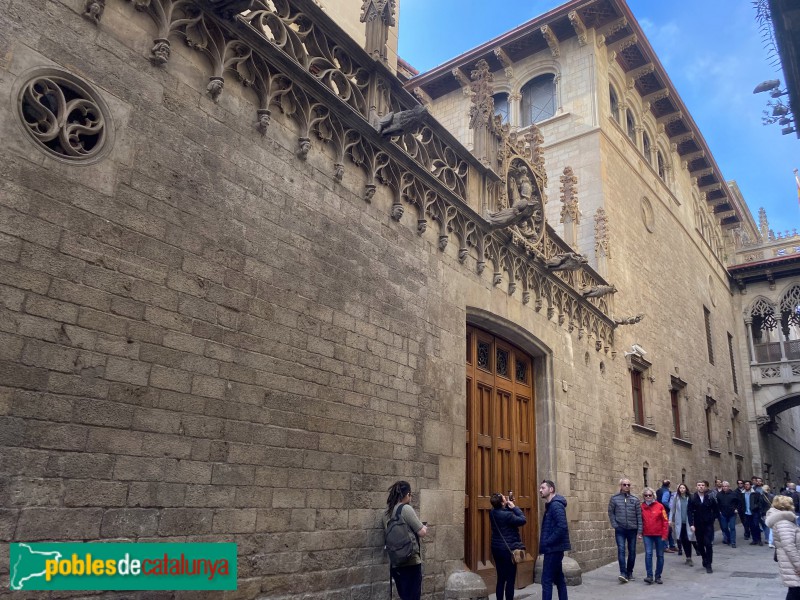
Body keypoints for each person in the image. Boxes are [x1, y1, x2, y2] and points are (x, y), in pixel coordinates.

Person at [383, 481, 428, 600]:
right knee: (413, 596)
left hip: (396, 562)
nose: (411, 497)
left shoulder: (387, 513)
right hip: (411, 561)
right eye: (410, 494)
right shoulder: (406, 509)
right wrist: (424, 527)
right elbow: (421, 532)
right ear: (407, 494)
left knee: (404, 595)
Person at [490, 491, 526, 600]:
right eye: (504, 498)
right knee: (510, 579)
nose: (506, 498)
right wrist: (514, 507)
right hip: (508, 549)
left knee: (500, 578)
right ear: (501, 503)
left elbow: (504, 516)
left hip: (496, 548)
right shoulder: (507, 515)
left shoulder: (492, 512)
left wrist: (508, 506)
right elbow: (522, 520)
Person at [538, 480, 570, 600]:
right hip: (554, 548)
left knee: (546, 580)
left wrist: (548, 541)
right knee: (558, 578)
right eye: (540, 488)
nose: (540, 490)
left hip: (553, 548)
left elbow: (562, 527)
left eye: (543, 488)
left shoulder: (556, 505)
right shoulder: (551, 505)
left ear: (551, 489)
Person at [608, 478, 642, 583]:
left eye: (628, 485)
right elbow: (611, 513)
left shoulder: (635, 499)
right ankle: (623, 573)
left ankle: (629, 572)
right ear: (621, 486)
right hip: (620, 529)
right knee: (621, 550)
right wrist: (615, 525)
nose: (626, 486)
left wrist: (640, 531)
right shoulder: (614, 499)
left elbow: (639, 516)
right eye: (624, 484)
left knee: (632, 552)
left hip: (632, 529)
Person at [767, 494, 800, 600]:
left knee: (795, 590)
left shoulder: (783, 521)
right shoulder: (783, 522)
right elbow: (789, 546)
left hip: (790, 563)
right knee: (795, 591)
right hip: (792, 564)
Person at [688, 480, 719, 573]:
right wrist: (691, 524)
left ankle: (709, 564)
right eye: (699, 485)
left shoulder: (710, 497)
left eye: (702, 485)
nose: (701, 487)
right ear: (696, 487)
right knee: (700, 544)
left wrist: (712, 518)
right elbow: (689, 512)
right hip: (698, 524)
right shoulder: (693, 498)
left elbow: (716, 510)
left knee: (708, 544)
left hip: (708, 524)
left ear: (705, 487)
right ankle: (704, 557)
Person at [640, 487, 669, 584]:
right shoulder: (641, 507)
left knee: (660, 555)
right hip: (647, 534)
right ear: (643, 496)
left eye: (650, 495)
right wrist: (639, 533)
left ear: (653, 496)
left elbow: (665, 521)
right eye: (646, 495)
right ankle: (649, 576)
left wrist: (665, 535)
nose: (648, 497)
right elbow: (639, 521)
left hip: (659, 534)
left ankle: (658, 576)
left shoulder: (660, 506)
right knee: (648, 554)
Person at [669, 483, 696, 566]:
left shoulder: (690, 498)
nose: (682, 489)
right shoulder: (676, 498)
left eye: (683, 488)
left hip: (689, 522)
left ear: (686, 489)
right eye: (680, 488)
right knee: (683, 540)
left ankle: (689, 557)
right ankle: (688, 557)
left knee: (689, 539)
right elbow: (672, 509)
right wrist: (670, 519)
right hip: (679, 523)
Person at [741, 480, 767, 546]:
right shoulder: (742, 494)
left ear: (750, 485)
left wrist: (756, 507)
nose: (746, 486)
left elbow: (760, 502)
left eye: (748, 484)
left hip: (755, 512)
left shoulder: (755, 493)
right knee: (751, 526)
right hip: (747, 513)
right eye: (745, 484)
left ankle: (759, 540)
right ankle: (754, 540)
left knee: (756, 526)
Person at [716, 481, 741, 547]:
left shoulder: (733, 494)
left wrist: (736, 509)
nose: (724, 488)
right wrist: (719, 511)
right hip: (723, 514)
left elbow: (739, 503)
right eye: (723, 486)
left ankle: (733, 542)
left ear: (728, 487)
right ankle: (729, 538)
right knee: (724, 528)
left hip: (732, 513)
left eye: (726, 486)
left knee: (732, 527)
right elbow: (717, 504)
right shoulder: (719, 494)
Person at [655, 480, 677, 553]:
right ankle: (665, 546)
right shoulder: (666, 492)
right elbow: (664, 501)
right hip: (665, 512)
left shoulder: (658, 491)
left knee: (669, 529)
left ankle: (672, 545)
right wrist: (671, 507)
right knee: (666, 529)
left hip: (659, 511)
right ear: (669, 485)